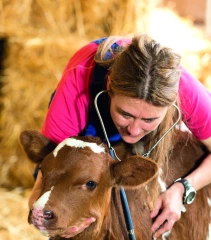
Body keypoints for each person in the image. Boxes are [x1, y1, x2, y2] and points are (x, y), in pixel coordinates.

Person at [29, 34, 211, 238]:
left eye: (149, 120)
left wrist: (183, 188)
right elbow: (42, 191)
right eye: (125, 114)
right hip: (90, 121)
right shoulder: (80, 82)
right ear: (109, 88)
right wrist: (58, 225)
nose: (133, 130)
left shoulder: (187, 92)